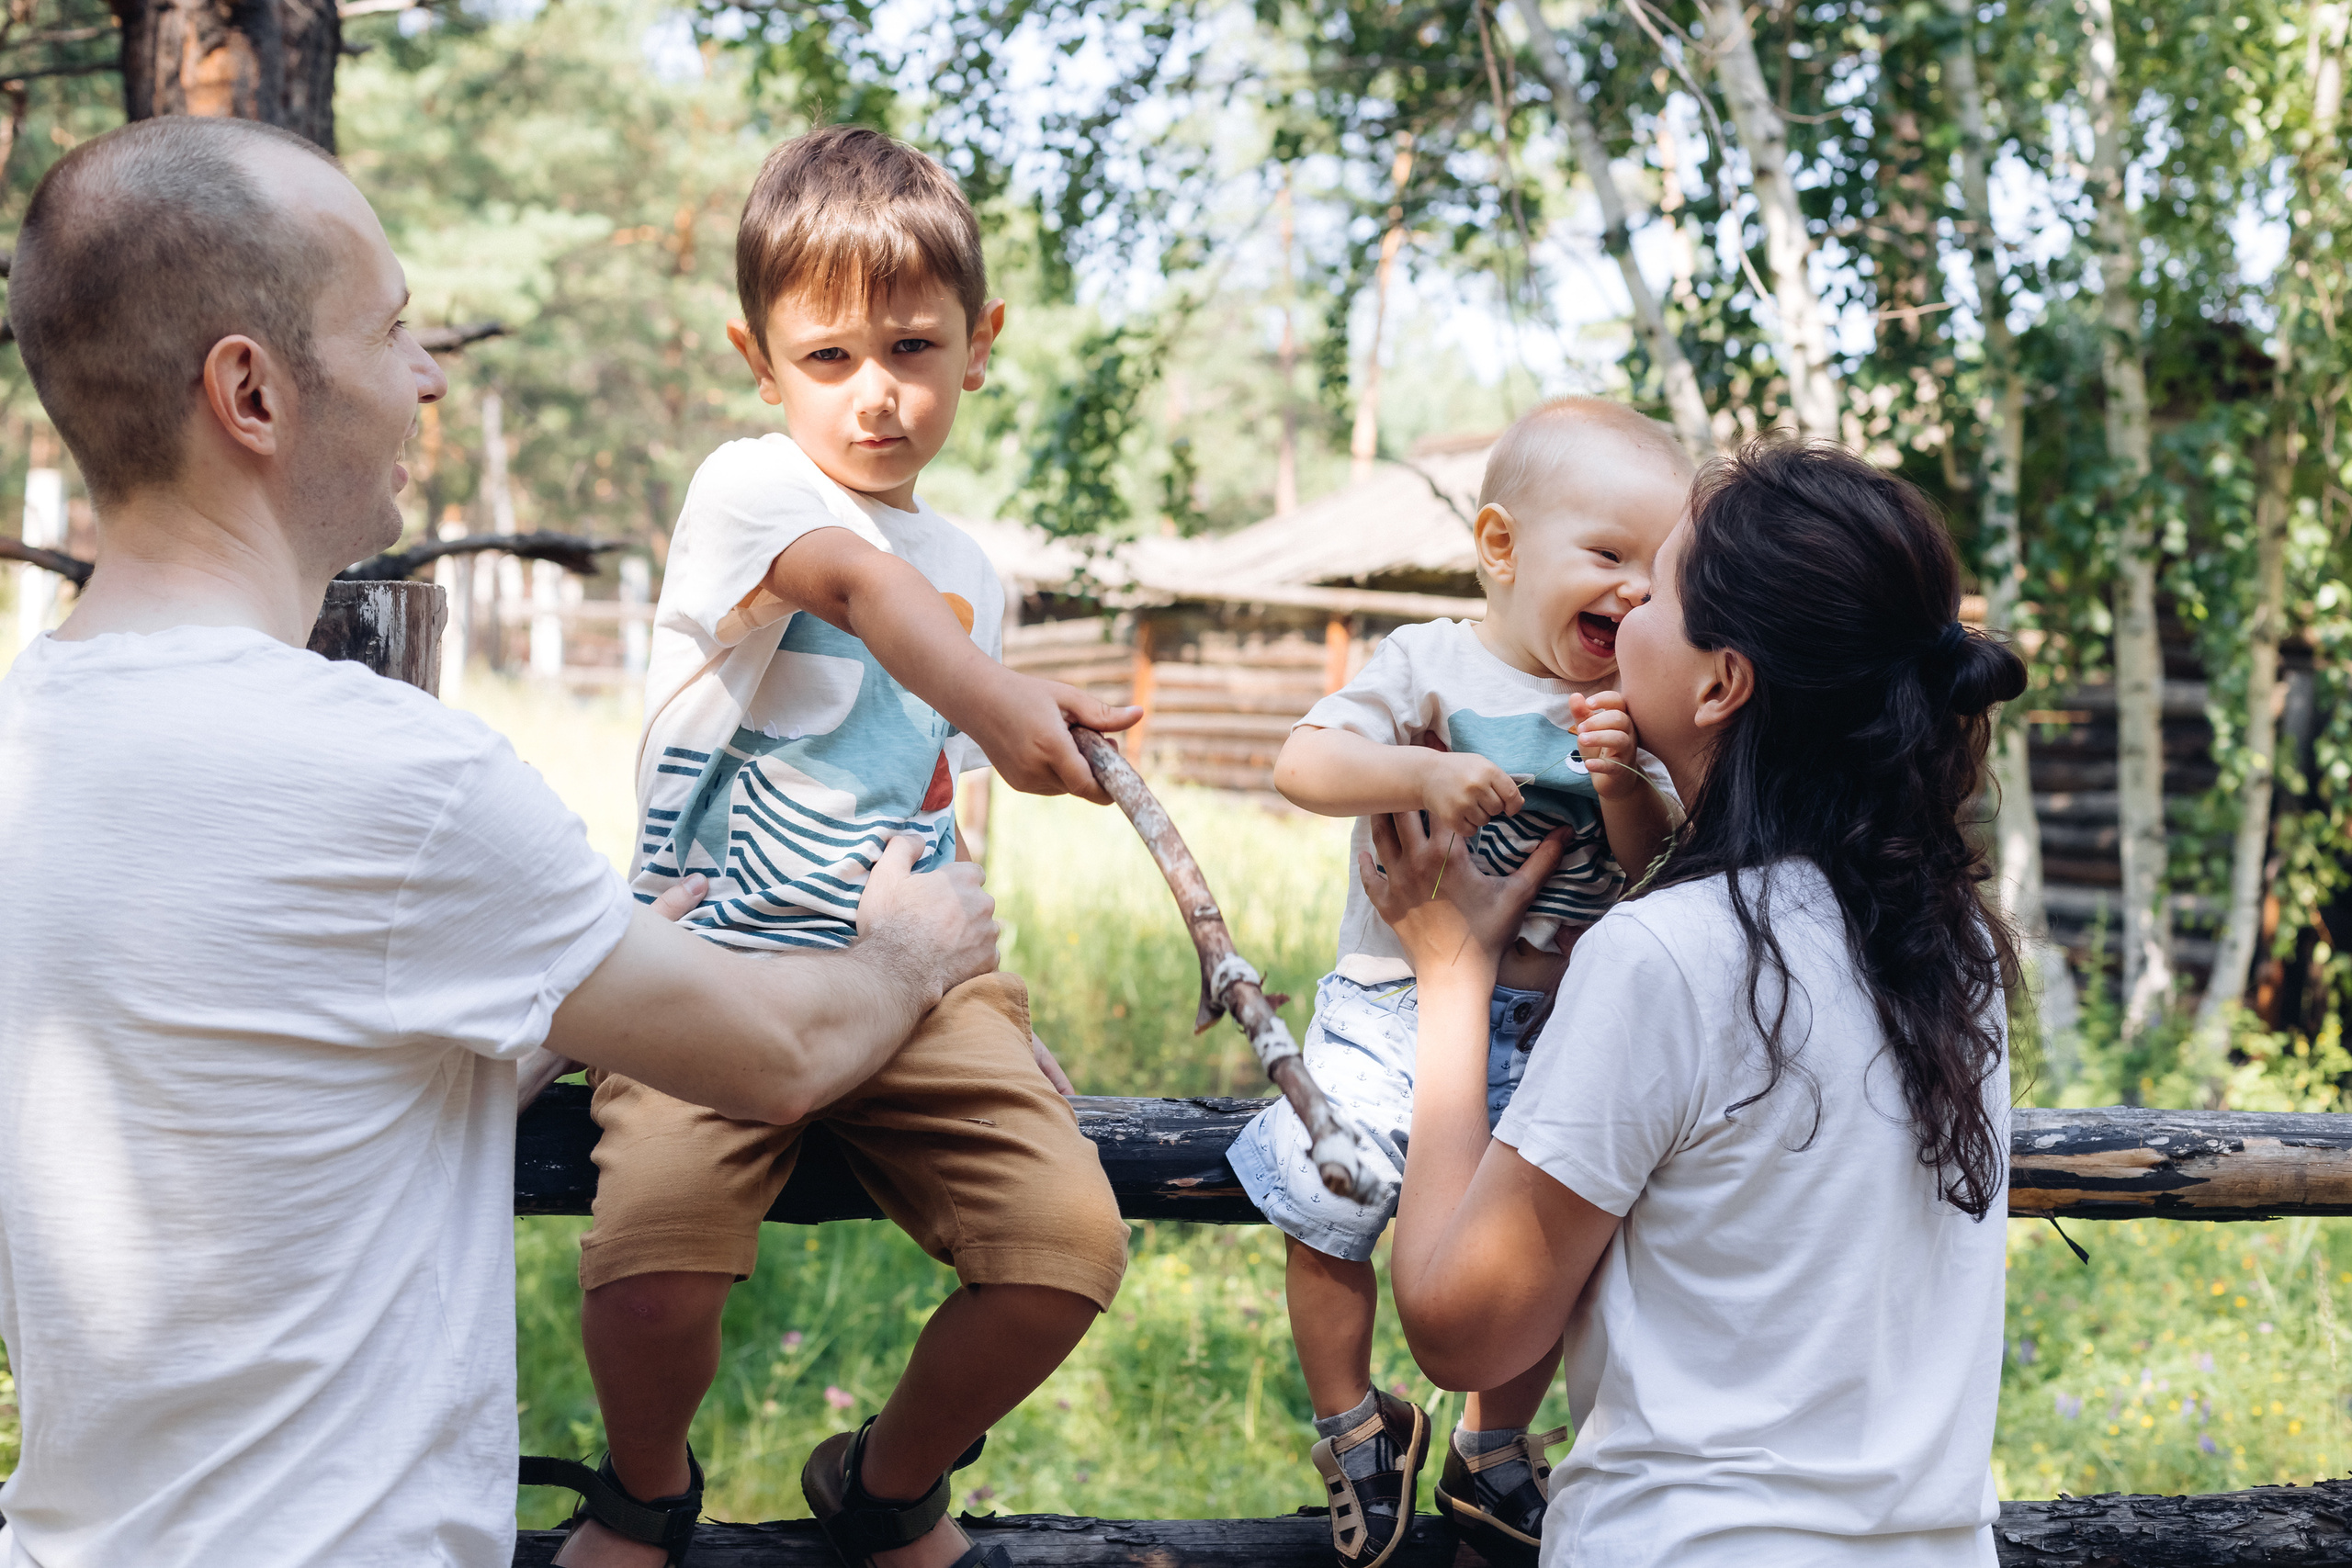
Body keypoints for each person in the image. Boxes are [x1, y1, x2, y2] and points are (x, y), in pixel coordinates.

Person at [0, 118, 1004, 1568]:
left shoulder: (25, 747)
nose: (428, 373)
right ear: (252, 392)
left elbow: (266, 1061)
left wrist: (553, 1000)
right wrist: (913, 953)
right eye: (390, 328)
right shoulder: (399, 780)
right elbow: (782, 1055)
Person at [555, 125, 1136, 1568]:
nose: (874, 392)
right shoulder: (753, 490)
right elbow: (861, 589)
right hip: (710, 963)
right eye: (828, 356)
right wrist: (1002, 699)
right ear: (759, 360)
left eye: (912, 348)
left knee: (1069, 1247)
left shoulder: (973, 570)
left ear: (980, 346)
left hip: (915, 978)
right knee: (653, 1271)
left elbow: (939, 797)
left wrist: (997, 1008)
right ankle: (645, 1487)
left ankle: (884, 1481)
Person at [1376, 435, 2028, 1566]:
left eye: (1660, 590)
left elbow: (1461, 1330)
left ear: (1721, 683)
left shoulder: (1669, 954)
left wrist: (1450, 975)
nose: (1626, 607)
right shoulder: (1949, 943)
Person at [1228, 399, 1689, 1568]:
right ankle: (1353, 1427)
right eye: (1608, 554)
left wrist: (1625, 785)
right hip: (1393, 1003)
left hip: (1559, 1019)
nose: (1636, 591)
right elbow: (1303, 764)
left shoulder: (1636, 709)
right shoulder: (1427, 662)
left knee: (1533, 1244)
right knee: (1323, 1205)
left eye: (1659, 571)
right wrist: (1418, 770)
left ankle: (1493, 1445)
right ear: (1500, 547)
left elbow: (1658, 870)